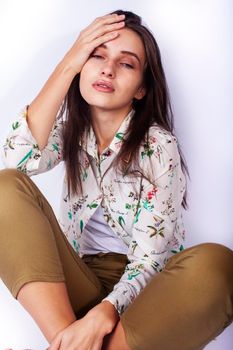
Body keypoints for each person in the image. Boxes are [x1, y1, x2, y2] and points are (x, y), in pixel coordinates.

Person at [0, 9, 233, 350]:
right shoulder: (69, 131)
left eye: (126, 64)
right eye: (96, 56)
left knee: (218, 264)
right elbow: (14, 161)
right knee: (4, 188)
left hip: (148, 296)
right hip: (77, 285)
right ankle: (71, 340)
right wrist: (67, 64)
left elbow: (151, 258)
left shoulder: (157, 144)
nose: (108, 68)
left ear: (141, 89)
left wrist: (106, 312)